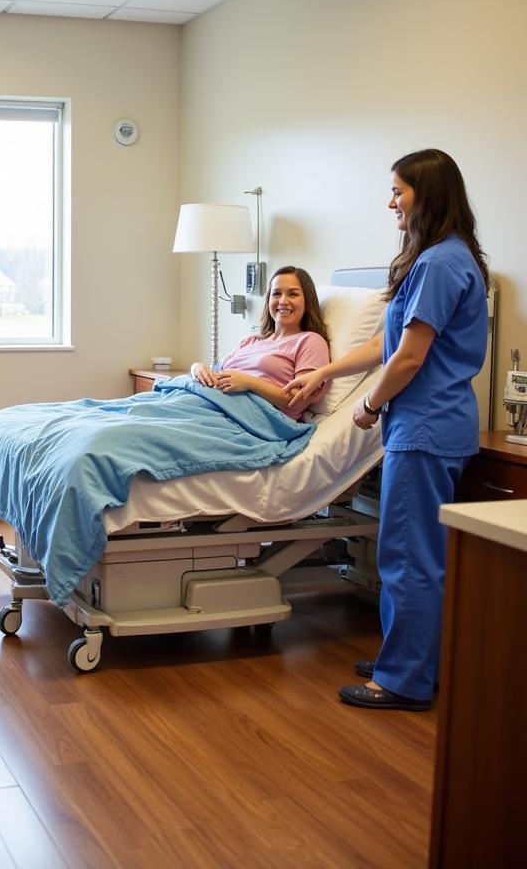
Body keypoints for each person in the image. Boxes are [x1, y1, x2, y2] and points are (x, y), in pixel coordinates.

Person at [285, 149, 488, 711]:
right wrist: (327, 369)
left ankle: (403, 681)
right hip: (432, 425)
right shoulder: (441, 258)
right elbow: (388, 344)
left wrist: (370, 405)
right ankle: (413, 658)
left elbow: (408, 360)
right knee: (416, 554)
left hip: (422, 428)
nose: (390, 201)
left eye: (398, 191)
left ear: (429, 194)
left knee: (408, 557)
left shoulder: (441, 264)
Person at [190, 266, 330, 421]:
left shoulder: (311, 341)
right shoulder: (251, 341)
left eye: (293, 294)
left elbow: (298, 401)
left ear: (307, 301)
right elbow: (217, 372)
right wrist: (197, 368)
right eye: (276, 294)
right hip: (211, 401)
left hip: (248, 418)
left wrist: (250, 383)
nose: (283, 301)